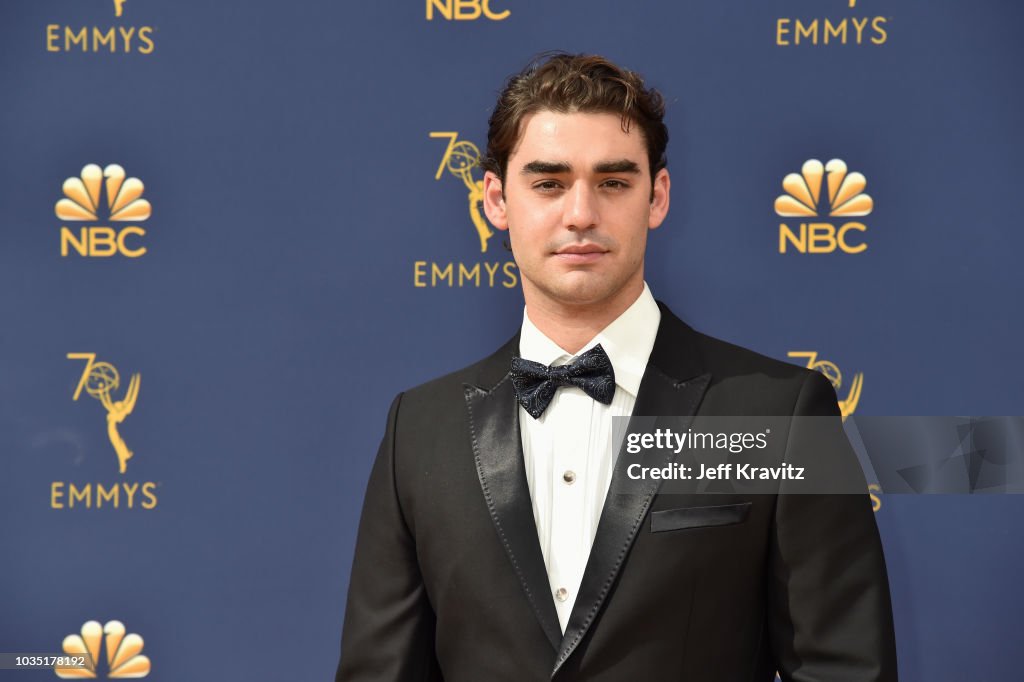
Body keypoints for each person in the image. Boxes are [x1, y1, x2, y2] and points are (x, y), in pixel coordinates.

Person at [335, 53, 897, 681]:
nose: (580, 214)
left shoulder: (779, 413)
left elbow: (846, 670)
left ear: (656, 196)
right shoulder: (419, 430)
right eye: (548, 183)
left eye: (613, 182)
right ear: (495, 199)